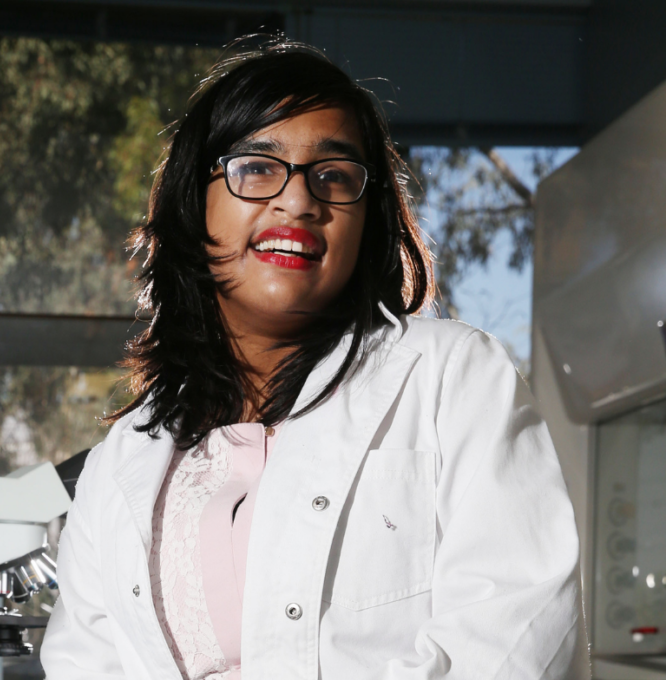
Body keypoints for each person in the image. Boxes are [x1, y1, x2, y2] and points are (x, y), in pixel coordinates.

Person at [41, 39, 585, 679]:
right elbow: (85, 662)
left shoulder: (452, 377)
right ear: (196, 202)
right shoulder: (123, 462)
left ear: (367, 219)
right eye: (256, 167)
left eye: (334, 175)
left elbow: (514, 630)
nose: (299, 201)